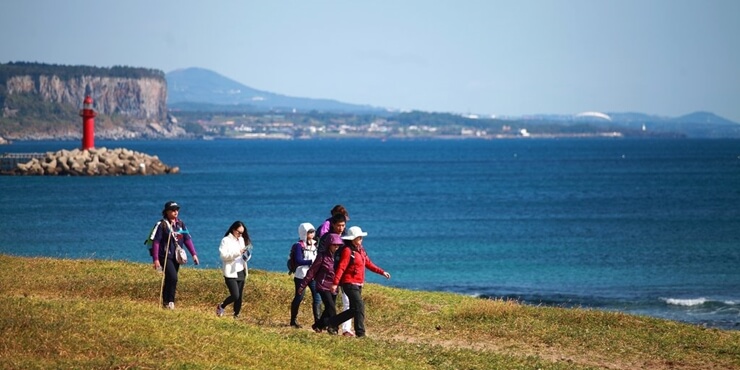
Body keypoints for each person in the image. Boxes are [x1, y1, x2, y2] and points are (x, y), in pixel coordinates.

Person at [328, 226, 390, 338]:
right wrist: (335, 283)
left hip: (358, 284)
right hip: (349, 283)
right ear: (352, 239)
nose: (361, 239)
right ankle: (360, 333)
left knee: (354, 309)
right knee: (360, 306)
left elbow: (369, 263)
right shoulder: (347, 251)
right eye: (359, 237)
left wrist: (382, 272)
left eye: (361, 237)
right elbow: (341, 267)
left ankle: (331, 323)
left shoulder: (361, 250)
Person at [151, 201, 200, 309]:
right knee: (173, 277)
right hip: (165, 256)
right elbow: (156, 242)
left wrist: (194, 254)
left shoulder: (180, 224)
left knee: (170, 279)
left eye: (177, 210)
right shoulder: (162, 225)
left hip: (176, 257)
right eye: (173, 210)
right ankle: (170, 301)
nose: (175, 212)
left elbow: (187, 239)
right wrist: (156, 259)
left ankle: (167, 302)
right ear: (167, 212)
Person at [297, 233, 344, 334]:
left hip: (334, 286)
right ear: (329, 245)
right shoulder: (322, 256)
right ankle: (334, 328)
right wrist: (302, 285)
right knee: (331, 307)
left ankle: (318, 326)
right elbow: (312, 271)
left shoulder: (338, 257)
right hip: (323, 286)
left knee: (328, 308)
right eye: (334, 244)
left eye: (338, 245)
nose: (336, 246)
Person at [318, 211, 355, 336]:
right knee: (331, 303)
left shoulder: (346, 238)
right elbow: (322, 255)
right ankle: (333, 328)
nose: (341, 228)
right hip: (327, 275)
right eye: (338, 225)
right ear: (332, 224)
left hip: (341, 273)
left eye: (343, 225)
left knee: (334, 302)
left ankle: (320, 324)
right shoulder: (326, 238)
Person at [216, 221, 253, 319]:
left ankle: (236, 315)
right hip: (230, 272)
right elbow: (223, 256)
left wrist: (247, 255)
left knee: (239, 297)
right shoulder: (225, 240)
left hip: (241, 270)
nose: (240, 235)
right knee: (235, 295)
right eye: (239, 232)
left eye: (242, 233)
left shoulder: (241, 240)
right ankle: (221, 306)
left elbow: (243, 256)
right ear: (233, 229)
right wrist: (238, 252)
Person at [289, 223, 321, 328]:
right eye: (309, 232)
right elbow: (298, 260)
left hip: (313, 276)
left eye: (313, 232)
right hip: (301, 275)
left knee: (317, 298)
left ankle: (318, 323)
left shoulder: (315, 244)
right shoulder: (299, 245)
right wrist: (312, 262)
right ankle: (293, 321)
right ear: (304, 233)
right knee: (299, 297)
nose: (312, 234)